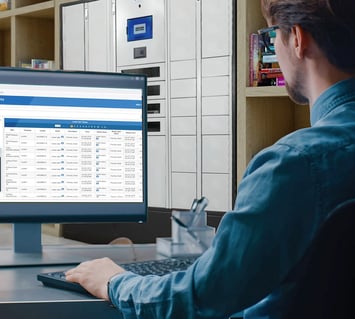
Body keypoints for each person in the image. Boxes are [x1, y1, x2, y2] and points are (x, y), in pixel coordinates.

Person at [65, 0, 355, 318]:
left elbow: (199, 298)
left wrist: (114, 281)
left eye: (274, 36)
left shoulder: (294, 165)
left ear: (297, 39)